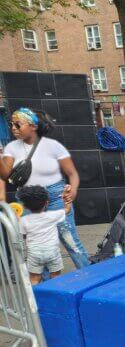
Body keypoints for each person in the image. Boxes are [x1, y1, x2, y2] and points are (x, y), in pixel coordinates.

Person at [0, 108, 90, 269]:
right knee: (38, 245)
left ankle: (90, 278)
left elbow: (72, 173)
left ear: (33, 126)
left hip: (57, 196)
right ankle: (45, 287)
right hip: (28, 199)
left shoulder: (52, 147)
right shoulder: (11, 149)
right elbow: (5, 175)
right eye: (11, 124)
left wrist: (73, 191)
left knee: (70, 241)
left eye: (18, 124)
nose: (13, 128)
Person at [16, 185, 67, 284]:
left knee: (34, 278)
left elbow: (23, 235)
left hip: (34, 253)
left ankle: (34, 298)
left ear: (25, 206)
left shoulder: (24, 220)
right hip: (52, 251)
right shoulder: (53, 215)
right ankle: (56, 295)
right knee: (56, 276)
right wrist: (66, 200)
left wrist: (18, 219)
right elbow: (67, 210)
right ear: (46, 203)